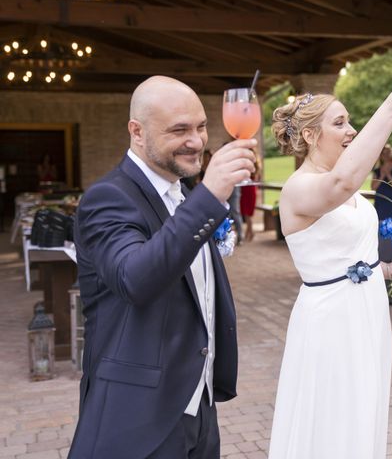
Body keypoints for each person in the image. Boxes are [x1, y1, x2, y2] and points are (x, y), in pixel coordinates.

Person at [68, 76, 256, 459]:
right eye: (179, 130)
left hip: (198, 406)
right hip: (139, 418)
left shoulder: (184, 195)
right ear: (137, 132)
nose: (198, 141)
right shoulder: (108, 198)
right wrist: (209, 197)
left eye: (202, 126)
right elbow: (136, 279)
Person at [268, 70, 392, 458]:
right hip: (330, 320)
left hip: (368, 312)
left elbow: (346, 253)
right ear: (310, 135)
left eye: (351, 122)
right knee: (332, 414)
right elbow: (342, 183)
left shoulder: (351, 188)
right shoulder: (299, 188)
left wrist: (391, 268)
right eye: (340, 123)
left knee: (363, 409)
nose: (352, 130)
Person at [371, 144, 392, 221]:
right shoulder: (376, 171)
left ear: (391, 154)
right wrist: (382, 176)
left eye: (387, 153)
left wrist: (388, 175)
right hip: (380, 200)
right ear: (380, 155)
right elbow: (373, 187)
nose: (386, 155)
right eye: (383, 153)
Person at [239, 151, 261, 242]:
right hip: (250, 188)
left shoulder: (249, 165)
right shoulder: (256, 164)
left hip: (247, 188)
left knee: (247, 212)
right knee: (247, 212)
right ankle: (249, 231)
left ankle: (250, 232)